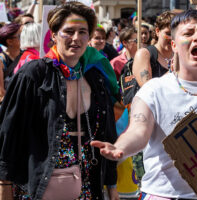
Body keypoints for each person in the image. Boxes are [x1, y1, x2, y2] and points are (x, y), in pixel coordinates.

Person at [91, 9, 197, 199]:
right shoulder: (154, 90)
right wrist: (120, 148)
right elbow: (138, 130)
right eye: (188, 33)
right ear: (174, 45)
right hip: (167, 194)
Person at [0, 2, 120, 199]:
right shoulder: (34, 74)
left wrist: (111, 185)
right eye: (69, 31)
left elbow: (107, 134)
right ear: (54, 35)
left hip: (87, 186)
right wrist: (3, 185)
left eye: (82, 31)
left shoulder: (96, 77)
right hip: (40, 185)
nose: (76, 38)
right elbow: (9, 132)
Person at [133, 11, 175, 87]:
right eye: (168, 34)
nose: (172, 38)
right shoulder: (144, 54)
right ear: (157, 31)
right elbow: (147, 89)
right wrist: (172, 71)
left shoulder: (181, 56)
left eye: (175, 34)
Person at [0, 23, 22, 99]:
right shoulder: (1, 60)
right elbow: (1, 91)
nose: (24, 38)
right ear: (9, 41)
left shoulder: (27, 55)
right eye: (20, 36)